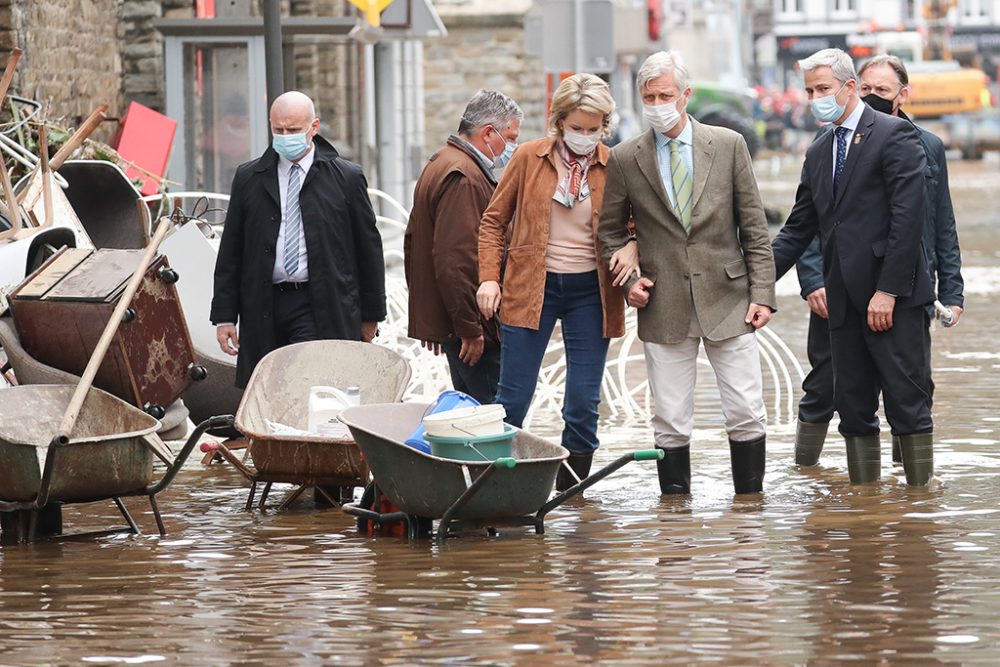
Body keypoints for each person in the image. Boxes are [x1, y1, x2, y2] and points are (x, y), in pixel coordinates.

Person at [598, 50, 776, 496]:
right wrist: (627, 282)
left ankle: (749, 511)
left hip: (730, 296)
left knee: (745, 409)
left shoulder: (729, 144)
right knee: (671, 418)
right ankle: (675, 523)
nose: (658, 103)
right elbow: (610, 233)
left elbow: (754, 226)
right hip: (663, 301)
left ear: (686, 95)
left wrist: (763, 294)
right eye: (650, 96)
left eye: (667, 95)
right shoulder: (624, 157)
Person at [771, 49, 935, 486]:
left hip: (893, 300)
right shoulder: (820, 148)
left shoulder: (894, 134)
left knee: (907, 402)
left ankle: (917, 510)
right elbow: (798, 227)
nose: (815, 98)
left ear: (848, 87)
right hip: (842, 301)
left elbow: (908, 220)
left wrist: (889, 291)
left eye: (823, 89)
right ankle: (866, 508)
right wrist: (754, 279)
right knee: (853, 406)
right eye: (809, 91)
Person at [477, 73, 636, 492]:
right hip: (532, 288)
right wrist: (489, 279)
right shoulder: (529, 158)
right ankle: (496, 488)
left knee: (583, 403)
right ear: (559, 121)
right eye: (576, 128)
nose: (584, 137)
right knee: (513, 398)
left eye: (593, 129)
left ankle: (570, 494)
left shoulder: (615, 164)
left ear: (605, 126)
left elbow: (633, 226)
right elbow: (494, 222)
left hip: (591, 291)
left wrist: (633, 246)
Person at [211, 90, 386, 389]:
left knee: (311, 383)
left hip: (320, 301)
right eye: (278, 130)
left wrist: (372, 314)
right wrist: (225, 316)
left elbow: (368, 250)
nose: (285, 136)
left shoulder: (345, 178)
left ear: (313, 128)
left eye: (293, 130)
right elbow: (231, 252)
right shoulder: (250, 177)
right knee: (269, 386)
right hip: (264, 303)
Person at [404, 91, 523, 404]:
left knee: (476, 411)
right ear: (487, 133)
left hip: (461, 324)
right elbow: (456, 260)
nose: (512, 148)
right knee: (490, 416)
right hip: (475, 328)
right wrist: (469, 328)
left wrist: (440, 324)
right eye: (510, 138)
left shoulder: (444, 161)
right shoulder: (464, 176)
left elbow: (419, 243)